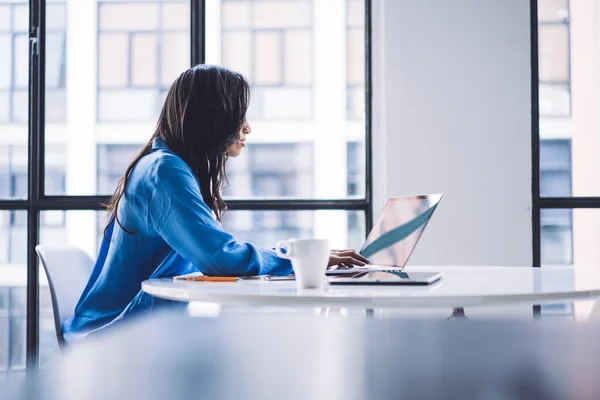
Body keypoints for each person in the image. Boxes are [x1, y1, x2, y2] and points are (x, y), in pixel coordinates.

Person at [62, 65, 369, 342]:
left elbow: (218, 253)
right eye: (239, 116)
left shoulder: (166, 166)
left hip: (138, 329)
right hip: (115, 335)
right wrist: (298, 259)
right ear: (212, 117)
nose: (247, 128)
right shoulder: (164, 172)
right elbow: (222, 258)